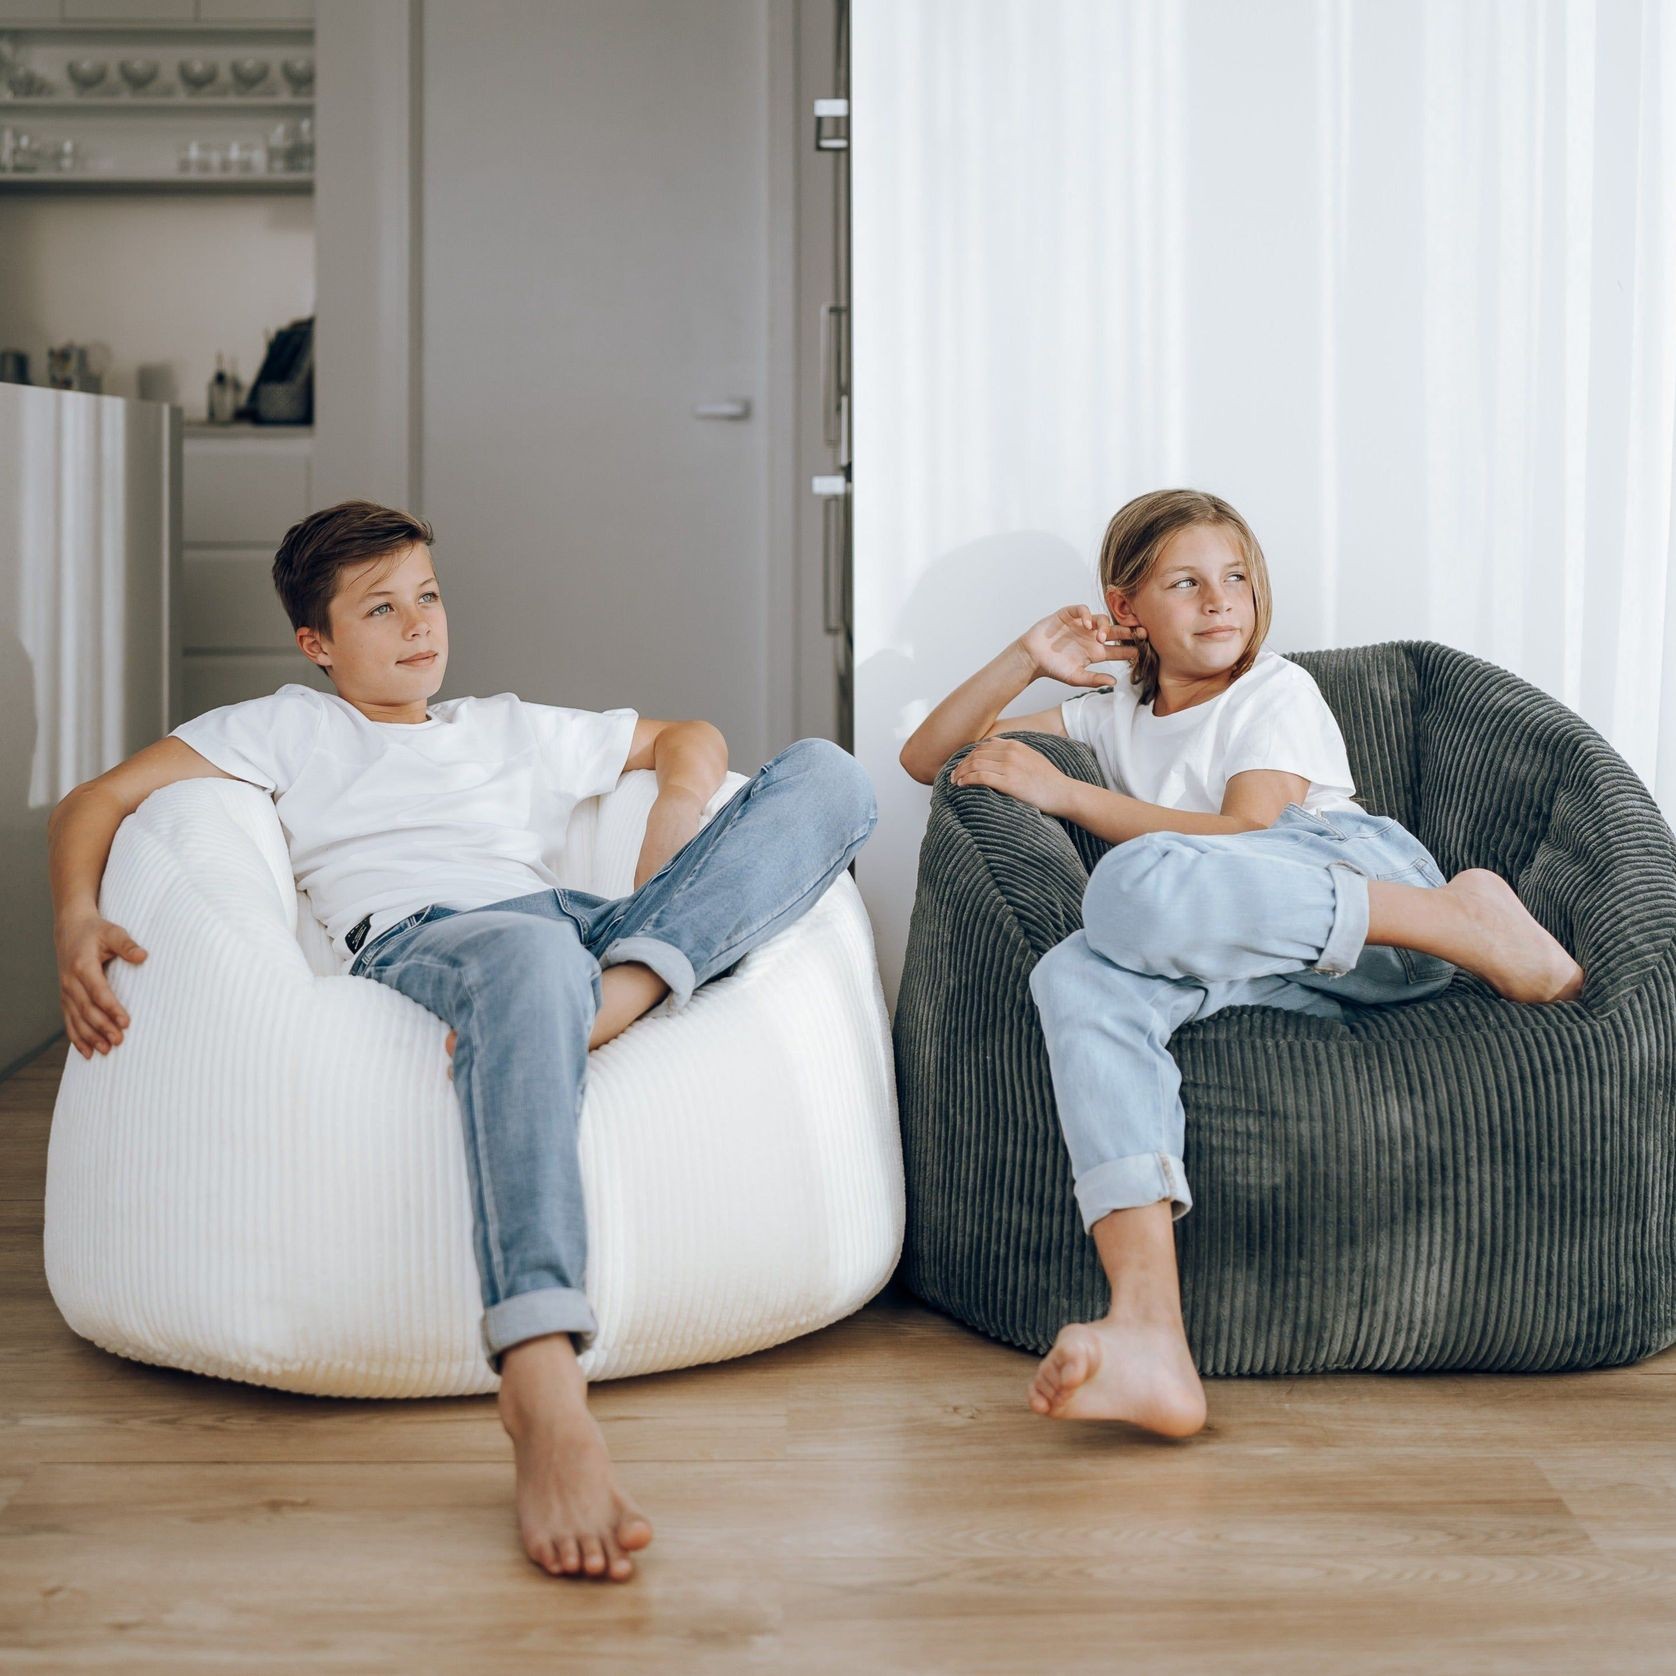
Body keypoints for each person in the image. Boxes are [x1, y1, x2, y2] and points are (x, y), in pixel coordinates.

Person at [47, 499, 877, 1582]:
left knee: (831, 773)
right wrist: (73, 914)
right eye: (379, 609)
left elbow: (691, 739)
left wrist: (674, 811)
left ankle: (616, 991)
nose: (418, 626)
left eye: (427, 596)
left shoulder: (505, 723)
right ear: (318, 643)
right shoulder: (285, 728)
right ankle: (539, 1375)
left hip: (583, 923)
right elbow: (96, 799)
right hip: (437, 939)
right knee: (532, 963)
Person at [899, 487, 1583, 1440]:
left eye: (1236, 580)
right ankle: (1148, 1331)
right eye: (1186, 582)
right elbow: (928, 755)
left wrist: (1070, 799)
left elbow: (1249, 831)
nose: (1221, 601)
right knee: (1073, 975)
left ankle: (1466, 920)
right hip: (1285, 962)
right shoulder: (1109, 715)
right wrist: (1028, 662)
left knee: (1133, 886)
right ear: (1127, 609)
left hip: (1371, 905)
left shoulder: (1275, 691)